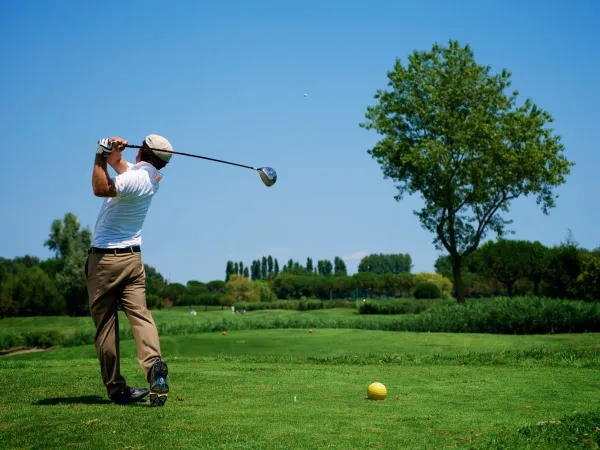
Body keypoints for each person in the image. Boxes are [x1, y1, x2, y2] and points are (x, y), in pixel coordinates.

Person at [85, 134, 172, 407]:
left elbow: (100, 187)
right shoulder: (150, 177)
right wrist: (112, 151)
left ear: (143, 152)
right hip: (133, 261)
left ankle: (116, 389)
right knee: (141, 316)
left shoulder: (135, 179)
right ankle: (154, 367)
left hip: (105, 262)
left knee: (106, 326)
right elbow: (119, 165)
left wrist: (100, 155)